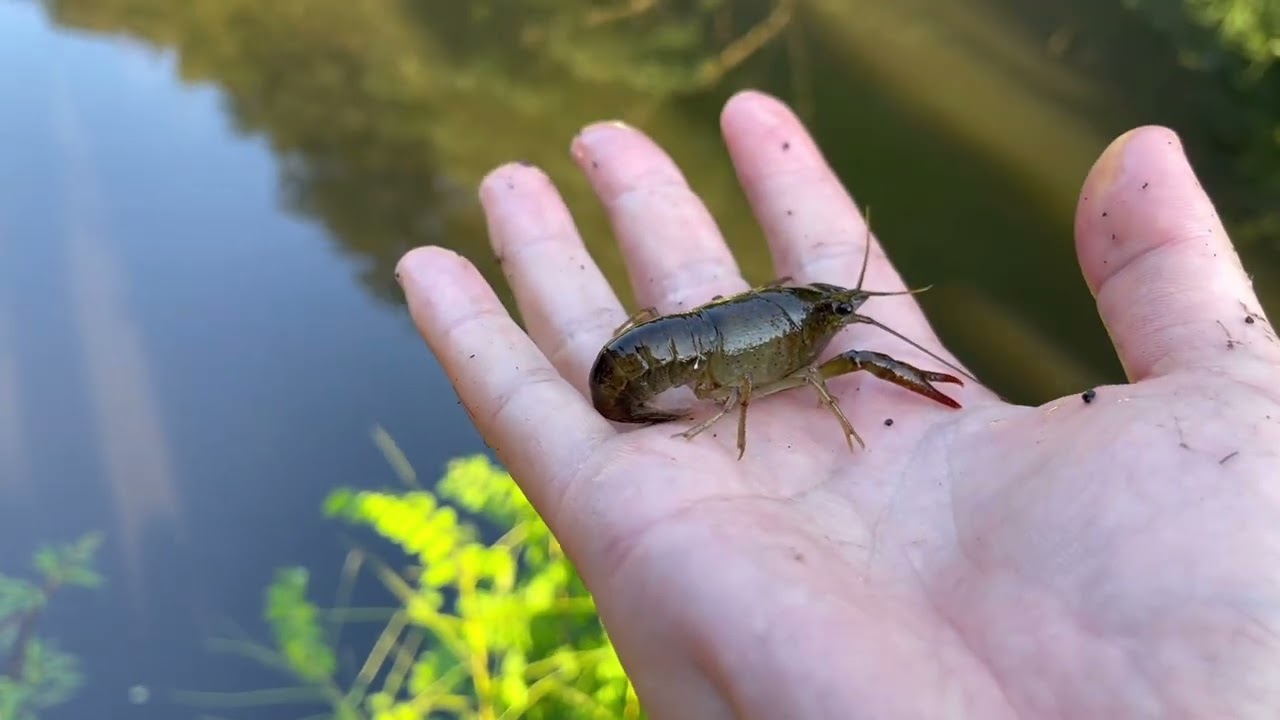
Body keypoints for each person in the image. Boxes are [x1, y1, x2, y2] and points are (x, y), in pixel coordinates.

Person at [395, 90, 1280, 718]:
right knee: (831, 365)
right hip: (649, 369)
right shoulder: (796, 362)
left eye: (825, 310)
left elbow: (798, 319)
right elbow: (793, 365)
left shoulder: (784, 323)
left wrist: (807, 308)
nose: (837, 319)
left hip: (673, 350)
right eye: (826, 309)